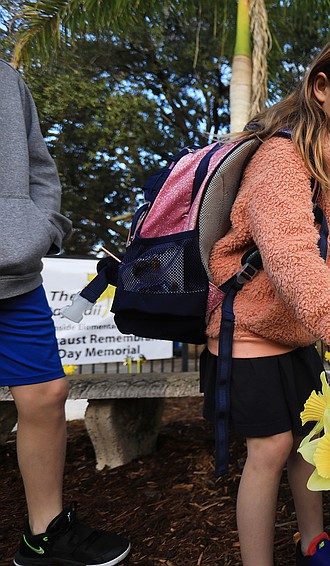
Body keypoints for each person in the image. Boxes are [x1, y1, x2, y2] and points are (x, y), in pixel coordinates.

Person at [200, 30, 330, 566]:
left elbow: (316, 268)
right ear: (321, 87)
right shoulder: (281, 160)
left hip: (295, 326)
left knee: (310, 440)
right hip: (246, 325)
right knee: (269, 449)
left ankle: (312, 539)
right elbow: (291, 258)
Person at [0, 61, 132, 566]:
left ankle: (43, 536)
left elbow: (39, 166)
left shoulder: (9, 82)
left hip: (16, 278)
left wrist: (43, 228)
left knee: (47, 393)